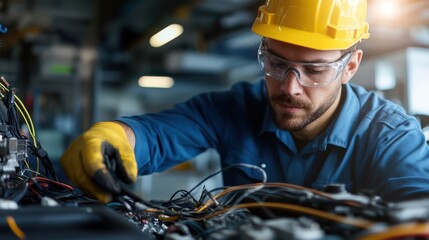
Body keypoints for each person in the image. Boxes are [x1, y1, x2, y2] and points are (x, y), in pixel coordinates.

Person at [60, 0, 429, 203]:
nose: (291, 87)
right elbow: (157, 135)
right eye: (277, 64)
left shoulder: (391, 136)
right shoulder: (235, 108)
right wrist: (117, 135)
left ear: (350, 66)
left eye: (314, 70)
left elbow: (419, 213)